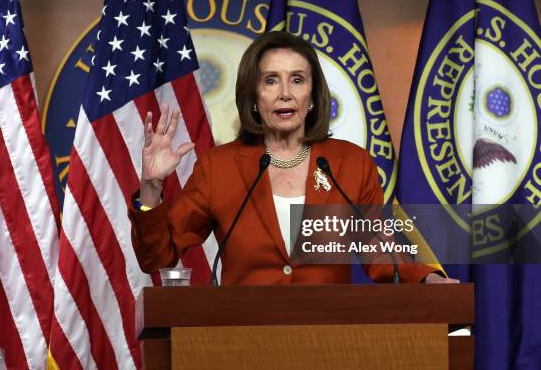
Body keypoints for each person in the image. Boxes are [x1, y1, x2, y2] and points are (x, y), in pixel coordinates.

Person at [129, 31, 457, 285]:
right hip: (241, 344)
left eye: (297, 79)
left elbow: (380, 253)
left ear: (312, 96)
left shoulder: (351, 164)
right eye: (271, 80)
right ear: (253, 96)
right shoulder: (219, 168)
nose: (285, 92)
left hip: (331, 342)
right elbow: (158, 257)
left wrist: (427, 276)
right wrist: (151, 186)